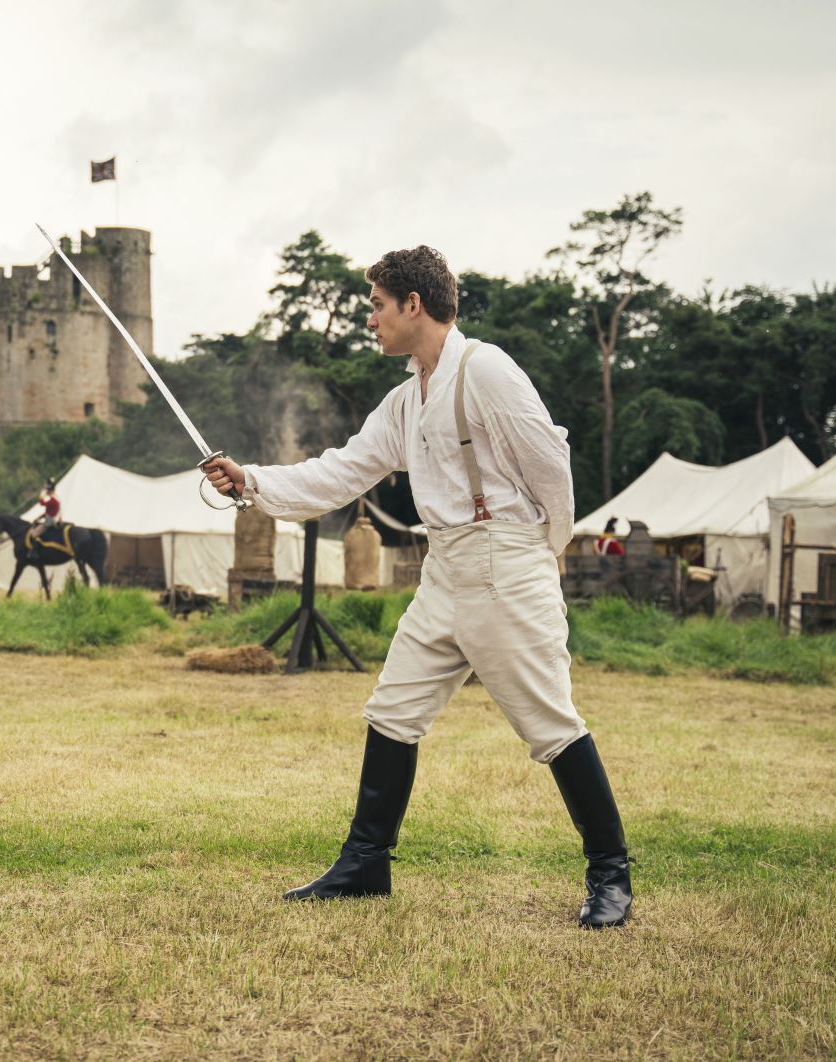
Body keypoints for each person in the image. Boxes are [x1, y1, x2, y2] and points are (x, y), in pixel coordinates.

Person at [204, 246, 632, 928]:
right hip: (444, 570)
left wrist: (541, 554)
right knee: (392, 711)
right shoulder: (406, 399)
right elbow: (341, 472)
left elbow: (551, 466)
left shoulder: (485, 370)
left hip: (507, 563)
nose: (369, 319)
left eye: (376, 305)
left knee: (549, 724)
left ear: (414, 305)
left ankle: (611, 874)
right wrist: (251, 481)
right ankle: (366, 865)